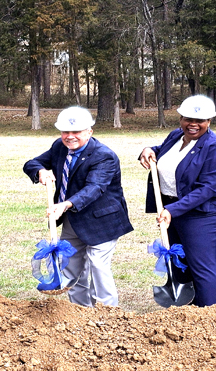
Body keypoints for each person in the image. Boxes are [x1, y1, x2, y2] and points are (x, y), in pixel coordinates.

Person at [23, 106, 133, 307]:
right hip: (73, 220)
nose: (70, 136)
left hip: (102, 221)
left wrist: (65, 204)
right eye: (65, 132)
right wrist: (39, 170)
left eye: (76, 132)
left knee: (98, 265)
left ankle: (108, 312)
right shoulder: (59, 147)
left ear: (89, 132)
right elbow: (32, 163)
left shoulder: (103, 156)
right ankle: (80, 311)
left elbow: (95, 187)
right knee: (71, 267)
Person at [139, 95, 216, 307]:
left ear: (209, 121)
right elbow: (163, 152)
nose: (193, 124)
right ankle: (187, 317)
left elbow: (208, 188)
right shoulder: (176, 135)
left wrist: (173, 210)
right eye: (187, 119)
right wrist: (148, 150)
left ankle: (210, 315)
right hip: (175, 209)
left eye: (200, 120)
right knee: (181, 263)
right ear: (181, 119)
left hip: (207, 213)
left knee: (204, 268)